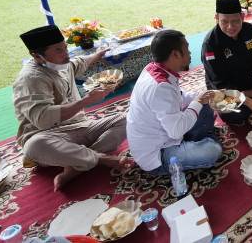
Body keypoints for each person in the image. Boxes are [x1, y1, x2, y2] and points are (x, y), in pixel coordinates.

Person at [13, 25, 128, 191]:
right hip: (50, 135)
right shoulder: (30, 79)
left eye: (65, 48)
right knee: (35, 145)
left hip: (81, 126)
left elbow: (78, 64)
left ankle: (75, 166)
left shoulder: (61, 62)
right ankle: (100, 159)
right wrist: (85, 102)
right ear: (37, 55)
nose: (66, 54)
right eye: (59, 50)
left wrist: (98, 54)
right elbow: (43, 119)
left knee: (126, 119)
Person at [127, 30, 223, 174]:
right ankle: (202, 142)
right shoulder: (161, 87)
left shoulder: (153, 68)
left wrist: (201, 96)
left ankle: (197, 140)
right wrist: (197, 101)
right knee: (213, 151)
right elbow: (175, 131)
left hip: (165, 131)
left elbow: (178, 97)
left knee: (204, 104)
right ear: (175, 54)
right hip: (157, 154)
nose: (190, 54)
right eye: (187, 49)